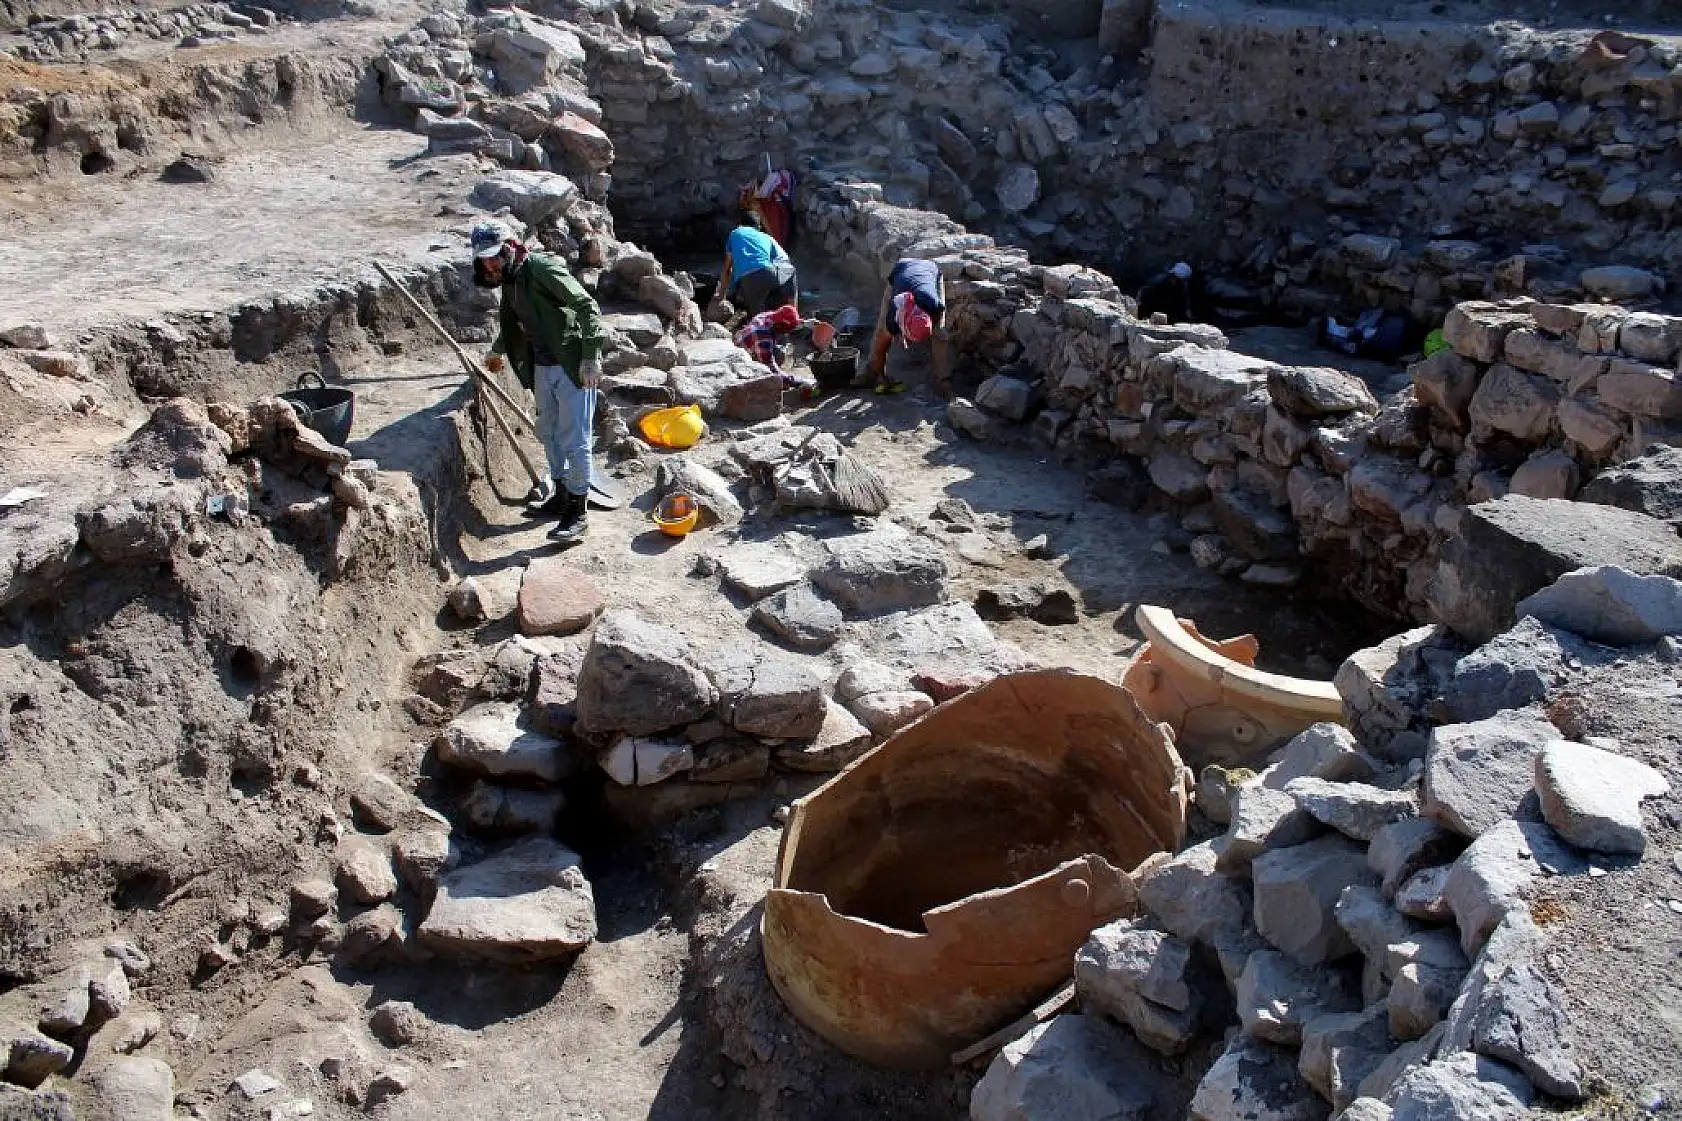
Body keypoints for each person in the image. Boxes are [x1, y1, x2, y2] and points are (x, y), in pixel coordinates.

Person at [472, 220, 604, 544]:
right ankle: (561, 492)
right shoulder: (510, 280)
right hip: (543, 366)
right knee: (548, 431)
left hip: (572, 365)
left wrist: (590, 356)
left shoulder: (542, 269)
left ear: (509, 248)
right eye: (484, 260)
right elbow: (515, 324)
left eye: (492, 258)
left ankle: (578, 512)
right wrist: (497, 351)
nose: (489, 266)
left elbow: (587, 306)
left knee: (575, 439)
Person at [864, 257, 952, 396]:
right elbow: (883, 339)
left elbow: (936, 322)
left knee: (939, 332)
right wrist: (881, 375)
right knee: (882, 329)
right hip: (901, 270)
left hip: (930, 270)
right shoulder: (894, 315)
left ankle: (942, 380)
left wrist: (929, 329)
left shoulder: (934, 305)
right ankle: (872, 371)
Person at [711, 213, 797, 318]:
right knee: (791, 271)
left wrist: (721, 295)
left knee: (758, 319)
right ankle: (793, 315)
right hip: (767, 273)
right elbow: (784, 259)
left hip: (746, 282)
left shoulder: (735, 233)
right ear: (758, 227)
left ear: (741, 224)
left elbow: (727, 269)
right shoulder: (766, 237)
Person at [1136, 261, 1202, 324]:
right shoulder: (1159, 282)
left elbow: (1183, 303)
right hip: (1153, 309)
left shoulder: (1179, 286)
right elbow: (1144, 294)